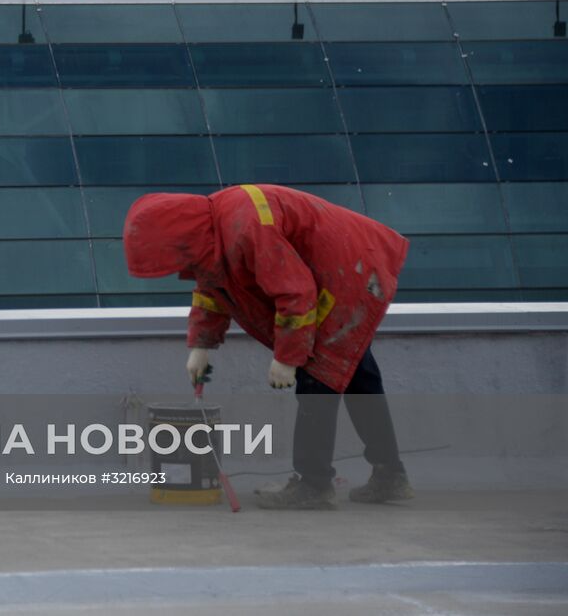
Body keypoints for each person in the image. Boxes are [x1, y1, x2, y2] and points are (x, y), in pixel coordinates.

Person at [122, 184, 413, 510]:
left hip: (347, 271)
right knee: (358, 374)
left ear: (178, 239)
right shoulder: (212, 230)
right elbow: (214, 283)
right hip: (345, 266)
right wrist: (201, 346)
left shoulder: (245, 227)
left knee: (317, 376)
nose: (177, 269)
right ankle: (390, 476)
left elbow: (296, 293)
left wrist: (287, 359)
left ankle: (314, 484)